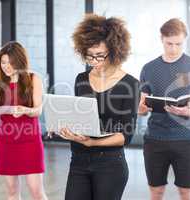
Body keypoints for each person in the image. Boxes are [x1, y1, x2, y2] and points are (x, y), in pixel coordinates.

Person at [59, 14, 140, 200]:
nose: (94, 62)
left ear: (114, 51)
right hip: (78, 160)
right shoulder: (81, 79)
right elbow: (80, 118)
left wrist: (93, 142)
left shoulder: (130, 84)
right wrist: (66, 128)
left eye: (100, 56)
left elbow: (125, 136)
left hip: (110, 164)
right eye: (89, 57)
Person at [138, 18, 190, 200]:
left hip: (185, 139)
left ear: (184, 40)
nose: (173, 49)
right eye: (169, 44)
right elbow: (141, 108)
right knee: (156, 191)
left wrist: (188, 112)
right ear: (161, 39)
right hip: (155, 139)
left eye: (178, 44)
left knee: (186, 192)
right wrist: (141, 108)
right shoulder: (149, 68)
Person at [0, 41, 48, 200]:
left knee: (36, 192)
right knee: (12, 192)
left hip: (30, 141)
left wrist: (26, 110)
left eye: (11, 62)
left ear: (20, 62)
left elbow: (38, 110)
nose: (6, 66)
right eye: (3, 62)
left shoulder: (33, 79)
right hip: (7, 142)